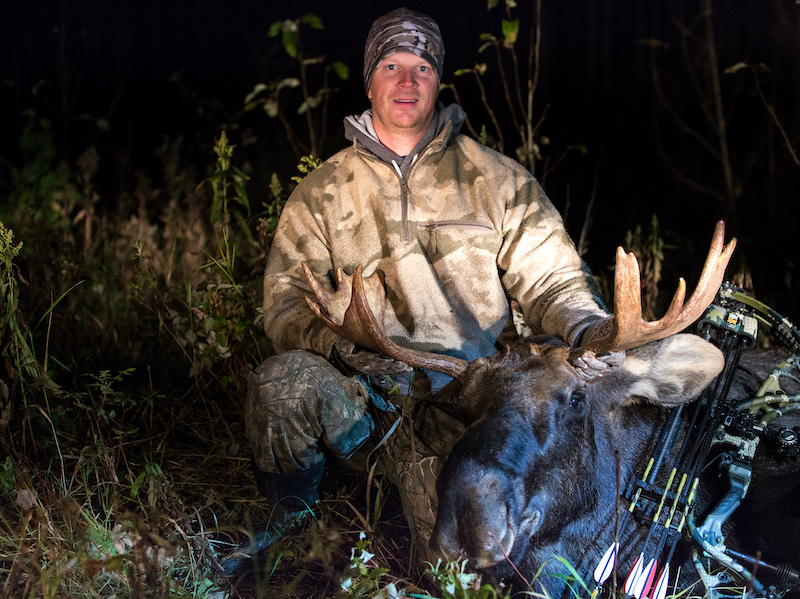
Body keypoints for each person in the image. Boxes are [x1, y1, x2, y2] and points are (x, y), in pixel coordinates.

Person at [239, 7, 610, 565]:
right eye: (391, 65)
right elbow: (286, 304)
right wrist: (341, 346)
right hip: (364, 398)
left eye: (421, 67)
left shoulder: (498, 180)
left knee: (451, 568)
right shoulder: (322, 193)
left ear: (438, 80)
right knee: (280, 386)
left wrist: (588, 329)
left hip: (464, 404)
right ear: (370, 80)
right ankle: (288, 526)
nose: (407, 81)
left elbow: (553, 278)